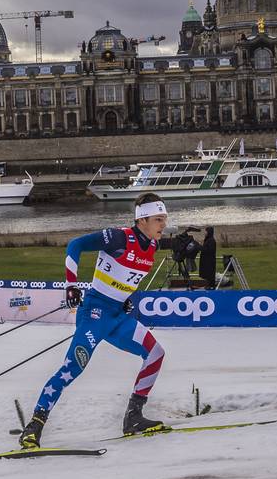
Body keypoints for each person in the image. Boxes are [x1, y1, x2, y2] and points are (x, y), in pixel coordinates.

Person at [19, 192, 169, 448]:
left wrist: (124, 297)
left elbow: (124, 277)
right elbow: (75, 245)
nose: (164, 225)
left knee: (155, 353)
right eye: (158, 219)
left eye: (164, 219)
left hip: (117, 317)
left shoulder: (153, 245)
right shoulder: (120, 237)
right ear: (142, 220)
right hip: (95, 315)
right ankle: (34, 426)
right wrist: (71, 285)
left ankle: (133, 417)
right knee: (71, 369)